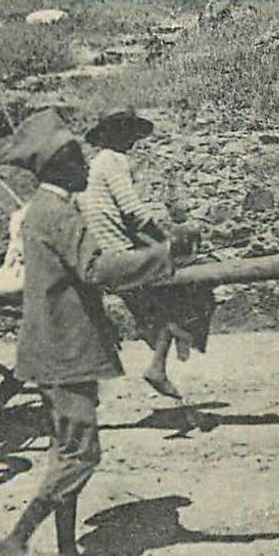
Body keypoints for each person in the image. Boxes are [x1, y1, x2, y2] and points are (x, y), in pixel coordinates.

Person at [0, 109, 181, 556]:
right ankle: (14, 543)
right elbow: (96, 270)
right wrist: (162, 256)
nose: (86, 165)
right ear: (59, 166)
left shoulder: (46, 209)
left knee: (64, 449)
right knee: (81, 453)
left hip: (59, 347)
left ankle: (68, 553)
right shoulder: (55, 213)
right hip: (64, 349)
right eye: (77, 158)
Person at [77, 106, 214, 401]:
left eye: (131, 133)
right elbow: (133, 212)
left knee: (164, 294)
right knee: (185, 278)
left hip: (106, 246)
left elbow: (122, 219)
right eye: (125, 132)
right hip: (115, 252)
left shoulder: (98, 163)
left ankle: (166, 347)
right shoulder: (113, 161)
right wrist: (165, 242)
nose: (130, 140)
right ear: (111, 135)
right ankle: (164, 357)